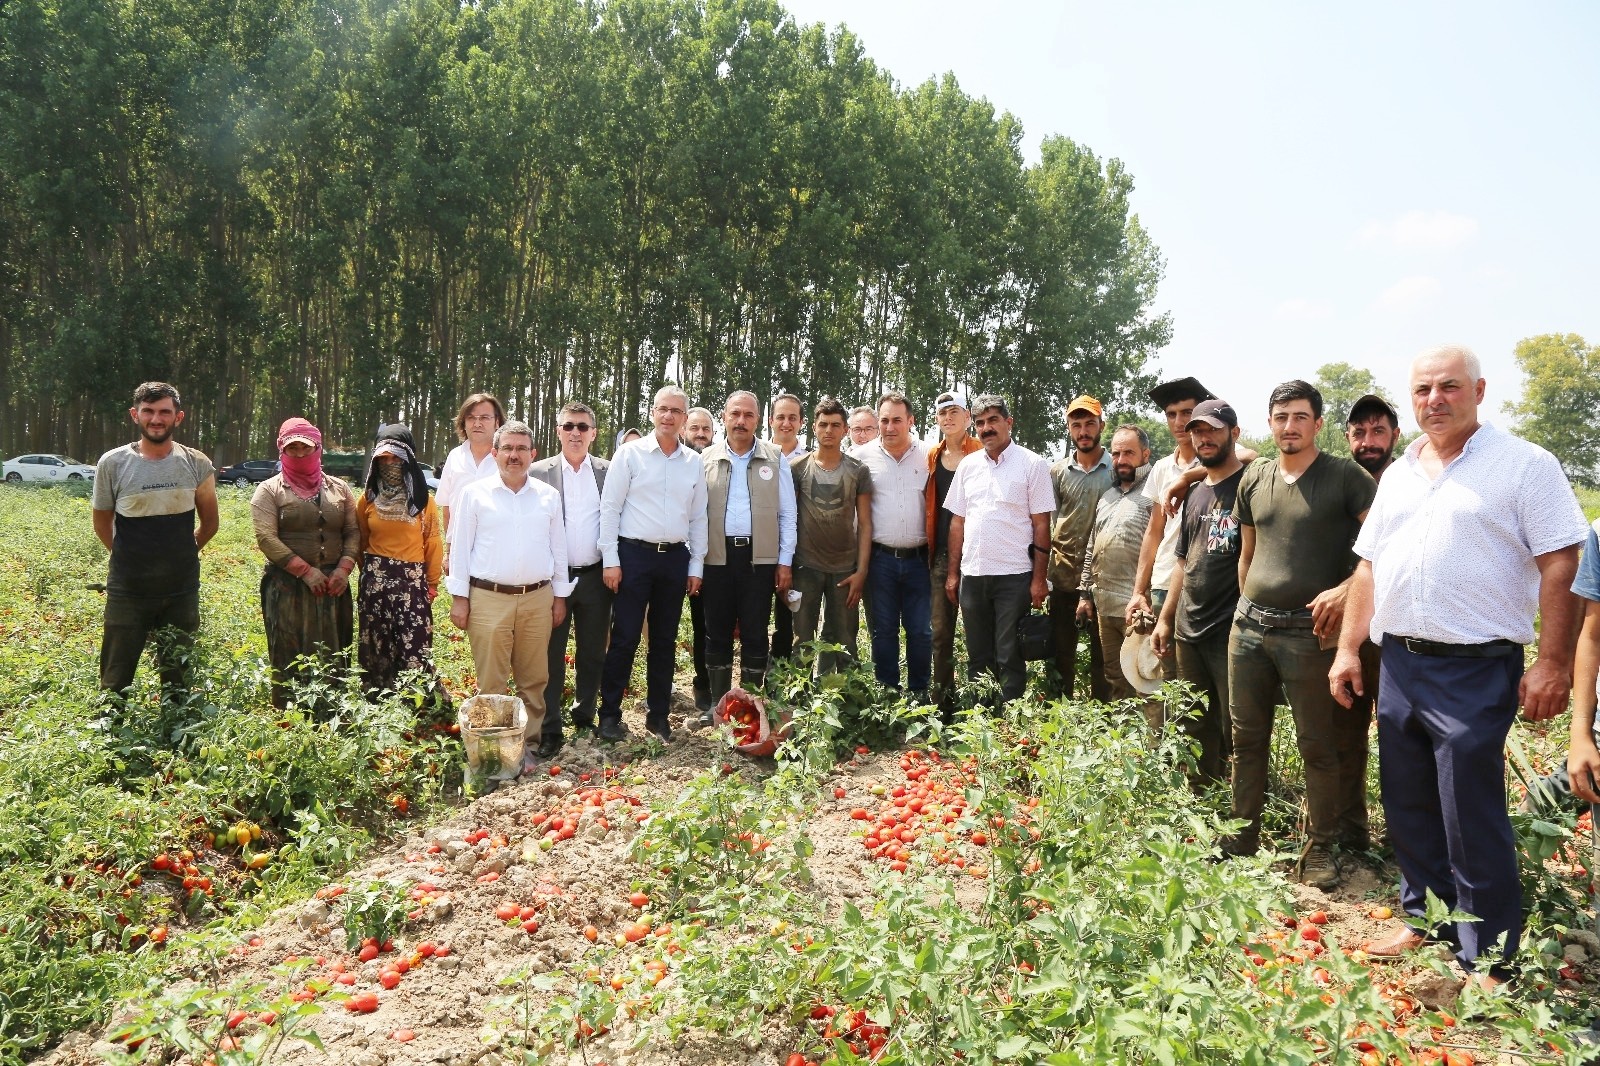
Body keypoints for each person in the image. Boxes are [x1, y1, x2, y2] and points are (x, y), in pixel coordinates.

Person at [1331, 345, 1585, 980]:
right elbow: (1368, 566)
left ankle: (1488, 955)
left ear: (1479, 389)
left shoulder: (1525, 466)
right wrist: (1346, 650)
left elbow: (1563, 561)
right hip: (1401, 662)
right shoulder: (1398, 474)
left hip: (1475, 665)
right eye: (1422, 390)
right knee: (1409, 800)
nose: (1433, 400)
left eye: (1448, 387)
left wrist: (1553, 662)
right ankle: (1424, 920)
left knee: (1469, 811)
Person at [1228, 380, 1375, 890]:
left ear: (1317, 423)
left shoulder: (1345, 478)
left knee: (1319, 744)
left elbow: (1382, 548)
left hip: (1309, 633)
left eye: (1299, 417)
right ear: (1269, 423)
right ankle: (1241, 835)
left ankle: (1320, 848)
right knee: (1246, 739)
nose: (1289, 427)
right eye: (1280, 417)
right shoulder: (1254, 479)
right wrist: (1244, 609)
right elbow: (1247, 553)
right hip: (1249, 628)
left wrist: (1344, 589)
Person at [447, 421, 570, 771]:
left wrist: (559, 597)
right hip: (488, 598)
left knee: (534, 680)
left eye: (521, 449)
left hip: (537, 598)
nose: (513, 455)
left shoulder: (548, 496)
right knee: (491, 682)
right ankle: (492, 756)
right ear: (495, 452)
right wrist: (459, 596)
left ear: (532, 454)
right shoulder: (474, 494)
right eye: (507, 449)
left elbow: (558, 550)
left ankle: (525, 747)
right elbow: (460, 550)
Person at [93, 382, 219, 708]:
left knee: (178, 674)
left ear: (179, 417)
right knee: (115, 677)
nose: (156, 419)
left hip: (181, 589)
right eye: (148, 412)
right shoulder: (112, 463)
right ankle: (110, 734)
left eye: (164, 412)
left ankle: (178, 738)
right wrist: (129, 557)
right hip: (128, 589)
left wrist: (183, 553)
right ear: (135, 415)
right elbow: (101, 522)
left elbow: (210, 523)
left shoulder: (197, 463)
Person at [597, 386, 709, 742]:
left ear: (684, 417)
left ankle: (658, 715)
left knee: (664, 639)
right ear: (652, 413)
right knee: (625, 636)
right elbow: (610, 508)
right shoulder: (629, 455)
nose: (668, 417)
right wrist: (611, 560)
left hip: (674, 558)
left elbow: (698, 518)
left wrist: (696, 566)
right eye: (663, 409)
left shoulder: (693, 463)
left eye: (676, 411)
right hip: (634, 555)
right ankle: (610, 715)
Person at [1151, 400, 1243, 786]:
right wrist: (1166, 619)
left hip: (1231, 630)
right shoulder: (1195, 495)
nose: (1204, 438)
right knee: (1193, 723)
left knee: (1237, 727)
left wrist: (1185, 476)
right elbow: (1182, 563)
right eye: (1198, 431)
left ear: (1234, 433)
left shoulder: (1251, 485)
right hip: (1190, 630)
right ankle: (1202, 803)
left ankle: (1244, 810)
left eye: (1214, 430)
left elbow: (1257, 457)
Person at [943, 395, 1052, 705]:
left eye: (993, 420)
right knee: (978, 655)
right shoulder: (968, 466)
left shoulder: (1032, 464)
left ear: (1009, 423)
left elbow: (1041, 524)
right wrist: (953, 574)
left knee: (1009, 654)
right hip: (973, 574)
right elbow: (957, 523)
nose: (986, 428)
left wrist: (1038, 579)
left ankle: (1010, 725)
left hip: (1014, 576)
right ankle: (979, 724)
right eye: (980, 423)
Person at [251, 418, 360, 709]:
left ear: (318, 449)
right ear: (282, 451)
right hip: (287, 587)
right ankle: (291, 719)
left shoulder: (340, 489)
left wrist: (343, 569)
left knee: (333, 652)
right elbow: (266, 537)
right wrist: (306, 571)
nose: (299, 455)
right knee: (290, 651)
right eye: (293, 449)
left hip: (333, 587)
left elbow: (352, 531)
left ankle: (333, 714)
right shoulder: (269, 490)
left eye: (305, 448)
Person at [699, 391, 797, 714]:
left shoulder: (774, 457)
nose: (741, 421)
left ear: (758, 419)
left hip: (760, 559)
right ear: (724, 417)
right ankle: (719, 705)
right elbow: (694, 514)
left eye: (748, 415)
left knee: (756, 631)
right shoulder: (706, 459)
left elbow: (787, 514)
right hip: (717, 558)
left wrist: (784, 561)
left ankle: (751, 705)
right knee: (717, 630)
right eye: (735, 414)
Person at [1336, 392, 1402, 845]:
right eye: (1359, 432)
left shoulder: (1410, 482)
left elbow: (1384, 559)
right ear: (1347, 438)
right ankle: (1352, 833)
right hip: (1347, 634)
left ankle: (1407, 836)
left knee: (1401, 737)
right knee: (1345, 735)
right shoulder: (1338, 481)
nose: (1368, 441)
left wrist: (1344, 591)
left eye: (1378, 430)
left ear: (1395, 435)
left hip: (1398, 631)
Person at [529, 404, 612, 757]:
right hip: (552, 581)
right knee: (551, 655)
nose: (575, 433)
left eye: (583, 427)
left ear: (594, 433)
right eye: (569, 426)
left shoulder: (609, 473)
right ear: (558, 431)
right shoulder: (537, 473)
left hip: (595, 577)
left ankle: (584, 716)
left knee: (593, 652)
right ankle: (549, 728)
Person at [354, 425, 447, 709]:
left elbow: (432, 542)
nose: (390, 464)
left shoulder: (423, 501)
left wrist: (431, 584)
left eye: (396, 459)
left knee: (415, 645)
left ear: (407, 460)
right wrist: (371, 575)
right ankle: (379, 704)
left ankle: (419, 704)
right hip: (375, 583)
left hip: (412, 583)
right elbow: (361, 542)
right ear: (376, 462)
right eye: (384, 459)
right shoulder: (367, 499)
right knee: (377, 644)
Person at [854, 392, 932, 700]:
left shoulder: (929, 455)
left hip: (919, 559)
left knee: (920, 631)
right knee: (883, 630)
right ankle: (887, 694)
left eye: (897, 420)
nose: (889, 427)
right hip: (880, 559)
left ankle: (919, 694)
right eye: (884, 420)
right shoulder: (861, 458)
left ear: (911, 422)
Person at [792, 398, 873, 676]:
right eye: (823, 424)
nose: (829, 430)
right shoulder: (798, 468)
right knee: (802, 641)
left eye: (835, 425)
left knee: (846, 641)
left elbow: (864, 523)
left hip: (844, 570)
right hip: (806, 566)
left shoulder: (857, 470)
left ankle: (847, 702)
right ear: (814, 427)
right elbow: (788, 520)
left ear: (845, 430)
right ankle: (798, 706)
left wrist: (861, 571)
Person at [1079, 426, 1154, 703]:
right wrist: (1085, 594)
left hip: (1138, 607)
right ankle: (1122, 742)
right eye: (1117, 453)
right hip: (1105, 604)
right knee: (1114, 676)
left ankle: (1150, 742)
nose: (1121, 459)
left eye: (1129, 453)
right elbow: (1092, 547)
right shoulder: (1108, 496)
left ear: (1145, 454)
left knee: (1144, 678)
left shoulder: (1155, 492)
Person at [1048, 395, 1113, 702]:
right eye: (1077, 425)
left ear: (1101, 425)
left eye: (1090, 424)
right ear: (1069, 429)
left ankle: (1100, 721)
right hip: (1064, 574)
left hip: (1104, 578)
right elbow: (1051, 520)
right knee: (1061, 652)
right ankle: (1060, 717)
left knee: (1104, 656)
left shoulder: (1116, 468)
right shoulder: (1057, 472)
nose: (1083, 431)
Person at [925, 389, 981, 712]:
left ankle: (982, 702)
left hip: (976, 551)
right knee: (941, 632)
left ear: (967, 417)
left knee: (977, 631)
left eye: (955, 411)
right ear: (937, 419)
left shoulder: (979, 452)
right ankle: (944, 703)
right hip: (942, 555)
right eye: (943, 413)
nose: (949, 418)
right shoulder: (932, 456)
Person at [767, 392, 807, 662]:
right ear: (770, 420)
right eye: (780, 417)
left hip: (797, 551)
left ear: (801, 423)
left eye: (792, 418)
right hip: (759, 548)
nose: (786, 423)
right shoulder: (757, 456)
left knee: (789, 615)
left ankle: (782, 674)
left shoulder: (810, 461)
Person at [437, 393, 506, 544]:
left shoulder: (507, 459)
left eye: (484, 418)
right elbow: (447, 508)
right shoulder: (454, 457)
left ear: (497, 422)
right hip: (459, 548)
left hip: (498, 549)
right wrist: (449, 551)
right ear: (464, 422)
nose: (477, 423)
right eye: (471, 418)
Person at [682, 404, 715, 712]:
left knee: (704, 624)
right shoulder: (675, 461)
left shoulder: (717, 463)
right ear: (684, 430)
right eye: (695, 428)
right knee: (660, 628)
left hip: (704, 558)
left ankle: (704, 684)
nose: (700, 433)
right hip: (669, 555)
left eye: (706, 429)